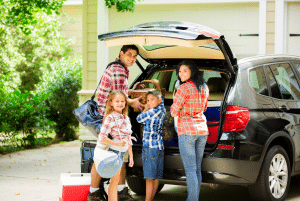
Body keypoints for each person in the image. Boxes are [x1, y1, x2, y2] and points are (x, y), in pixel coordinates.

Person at [88, 45, 143, 201]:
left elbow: (120, 94)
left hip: (107, 119)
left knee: (105, 156)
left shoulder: (118, 68)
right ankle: (116, 193)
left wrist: (131, 92)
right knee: (115, 158)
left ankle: (98, 192)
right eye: (129, 55)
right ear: (121, 54)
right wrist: (133, 103)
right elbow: (120, 99)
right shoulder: (119, 71)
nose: (132, 59)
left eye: (135, 56)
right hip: (112, 122)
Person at [170, 60, 209, 201]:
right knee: (197, 168)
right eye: (179, 71)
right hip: (202, 131)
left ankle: (192, 199)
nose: (180, 74)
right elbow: (204, 109)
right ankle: (194, 198)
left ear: (192, 71)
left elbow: (174, 112)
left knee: (191, 170)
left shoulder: (184, 88)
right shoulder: (204, 87)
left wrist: (179, 110)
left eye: (184, 71)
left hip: (187, 132)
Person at [91, 91, 134, 201]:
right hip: (114, 153)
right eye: (117, 101)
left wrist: (131, 157)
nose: (120, 104)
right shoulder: (110, 118)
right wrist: (116, 143)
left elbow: (128, 139)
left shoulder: (126, 118)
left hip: (121, 153)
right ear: (111, 103)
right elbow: (102, 137)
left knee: (115, 182)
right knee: (114, 183)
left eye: (122, 101)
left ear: (125, 103)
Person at [136, 80, 166, 201]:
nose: (149, 102)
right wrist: (157, 85)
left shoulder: (150, 112)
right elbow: (162, 98)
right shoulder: (162, 109)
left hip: (150, 148)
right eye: (148, 100)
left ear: (157, 100)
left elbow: (138, 118)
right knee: (156, 177)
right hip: (159, 147)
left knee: (149, 178)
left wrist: (145, 108)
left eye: (151, 100)